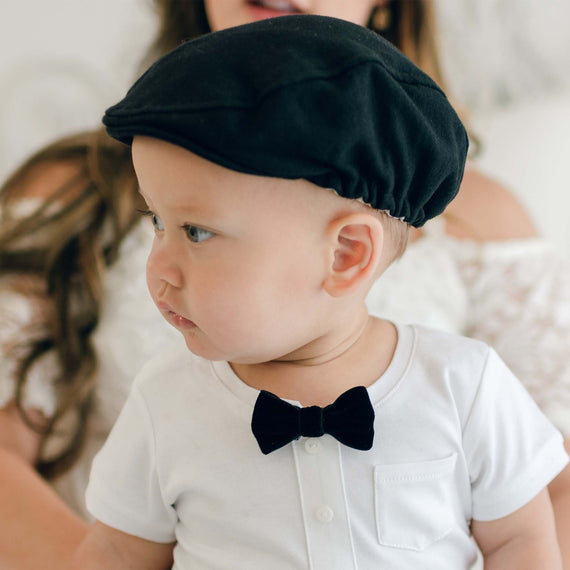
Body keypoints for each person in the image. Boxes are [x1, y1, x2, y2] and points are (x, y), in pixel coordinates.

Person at [2, 1, 570, 568]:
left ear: (347, 254)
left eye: (196, 232)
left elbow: (524, 535)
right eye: (156, 223)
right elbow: (118, 549)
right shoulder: (166, 402)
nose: (160, 268)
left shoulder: (464, 385)